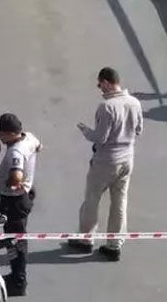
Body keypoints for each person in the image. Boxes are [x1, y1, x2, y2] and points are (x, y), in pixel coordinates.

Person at [66, 67, 143, 261]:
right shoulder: (134, 102)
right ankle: (114, 244)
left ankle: (86, 239)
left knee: (92, 199)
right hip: (127, 159)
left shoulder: (107, 106)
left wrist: (85, 130)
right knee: (119, 202)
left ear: (107, 83)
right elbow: (139, 129)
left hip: (106, 161)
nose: (100, 88)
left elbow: (100, 138)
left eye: (100, 84)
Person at [0, 113, 41, 296]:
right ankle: (15, 275)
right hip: (24, 196)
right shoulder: (30, 137)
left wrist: (10, 183)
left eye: (1, 134)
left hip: (14, 200)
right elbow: (38, 146)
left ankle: (18, 282)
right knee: (16, 238)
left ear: (11, 133)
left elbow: (17, 175)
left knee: (16, 241)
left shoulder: (16, 151)